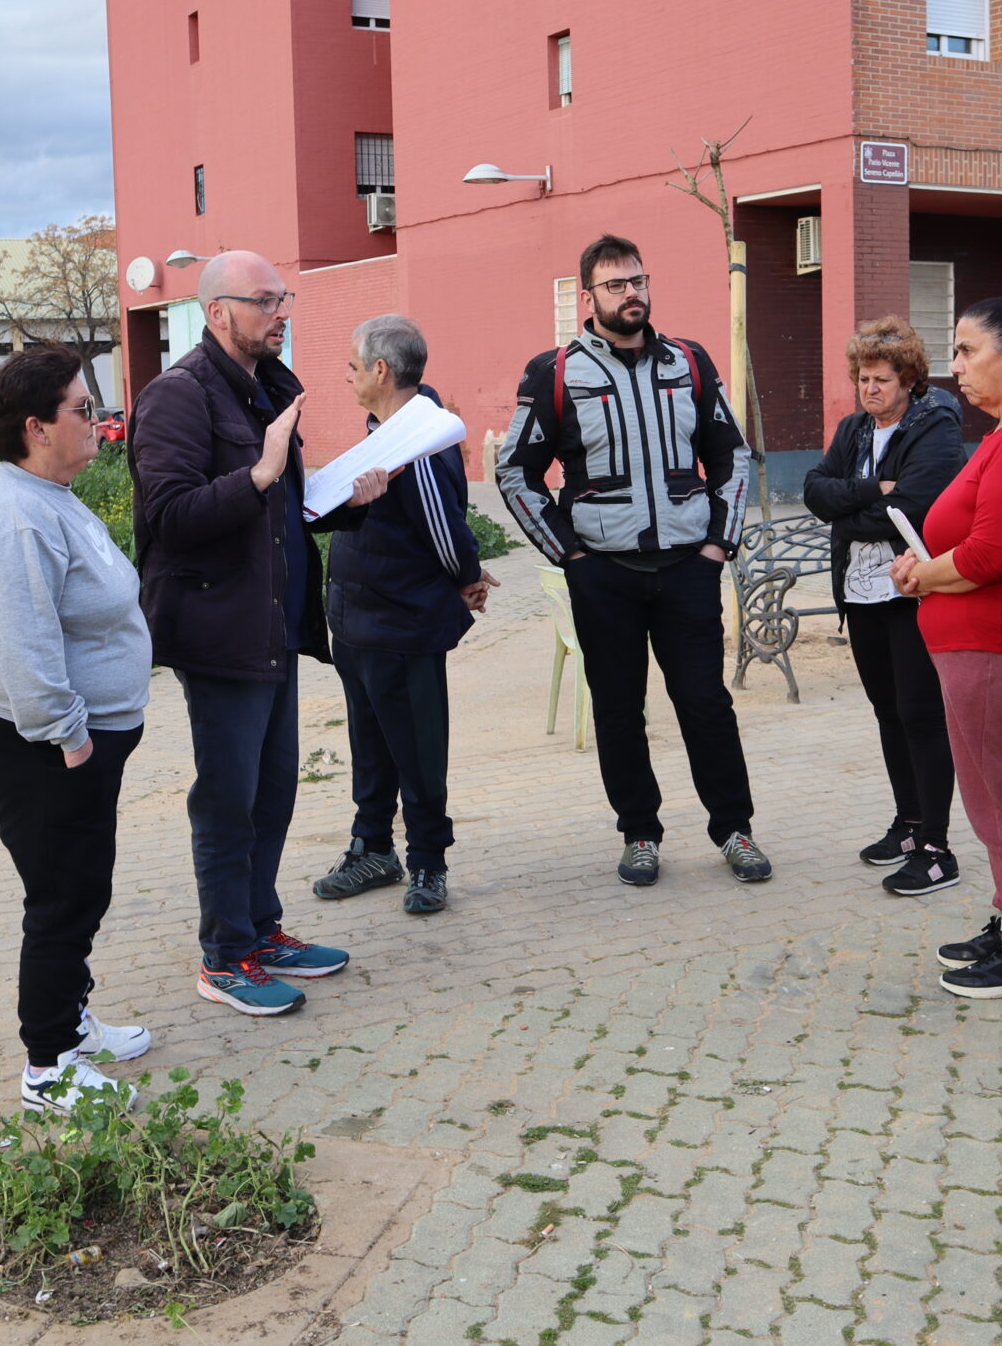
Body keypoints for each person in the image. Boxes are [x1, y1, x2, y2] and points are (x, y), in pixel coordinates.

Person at [131, 250, 386, 1017]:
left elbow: (281, 514)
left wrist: (347, 504)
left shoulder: (271, 388)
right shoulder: (178, 397)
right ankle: (224, 956)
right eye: (265, 301)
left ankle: (260, 929)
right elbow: (169, 517)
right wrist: (258, 475)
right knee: (229, 798)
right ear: (218, 312)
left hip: (273, 626)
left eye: (284, 299)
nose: (282, 313)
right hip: (218, 630)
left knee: (273, 789)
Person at [496, 234, 772, 887]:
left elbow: (732, 455)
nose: (631, 294)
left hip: (687, 570)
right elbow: (516, 472)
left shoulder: (690, 362)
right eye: (616, 284)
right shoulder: (554, 373)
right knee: (619, 711)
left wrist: (718, 545)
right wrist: (570, 554)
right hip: (604, 576)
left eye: (639, 281)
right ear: (588, 296)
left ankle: (734, 829)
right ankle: (640, 833)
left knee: (706, 703)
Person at [0, 343, 157, 1114]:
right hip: (40, 745)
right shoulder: (15, 517)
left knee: (82, 886)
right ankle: (48, 1067)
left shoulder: (48, 494)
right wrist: (71, 737)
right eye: (82, 409)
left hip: (74, 741)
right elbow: (24, 647)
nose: (97, 420)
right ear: (36, 428)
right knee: (63, 896)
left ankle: (70, 1020)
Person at [889, 299, 1002, 999]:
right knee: (993, 796)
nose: (956, 366)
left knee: (1000, 799)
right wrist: (929, 569)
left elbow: (992, 554)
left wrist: (922, 574)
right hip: (975, 643)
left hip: (994, 646)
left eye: (968, 350)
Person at [310, 314, 497, 916]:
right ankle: (372, 849)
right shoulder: (385, 431)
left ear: (381, 370)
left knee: (417, 751)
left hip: (403, 625)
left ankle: (428, 862)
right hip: (358, 622)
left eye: (353, 366)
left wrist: (466, 577)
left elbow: (444, 524)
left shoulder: (421, 437)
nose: (348, 376)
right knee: (370, 747)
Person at [802, 317, 965, 895]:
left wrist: (847, 514)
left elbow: (916, 507)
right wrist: (874, 490)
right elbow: (814, 490)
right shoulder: (853, 429)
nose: (870, 389)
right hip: (860, 592)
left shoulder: (934, 428)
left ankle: (937, 846)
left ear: (910, 380)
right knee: (887, 711)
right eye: (863, 379)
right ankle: (909, 824)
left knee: (921, 713)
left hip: (912, 591)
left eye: (882, 380)